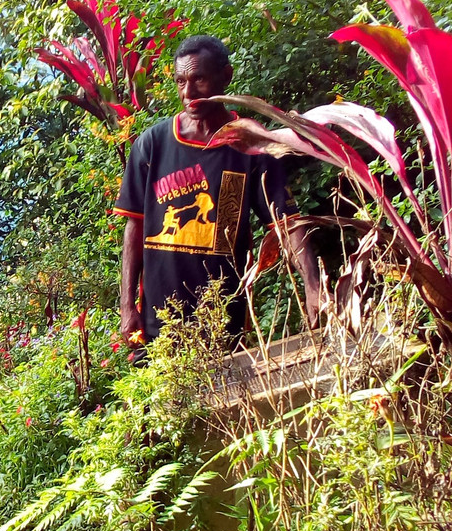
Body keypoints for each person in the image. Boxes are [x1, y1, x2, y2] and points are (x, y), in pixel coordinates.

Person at [114, 34, 321, 347]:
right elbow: (135, 226)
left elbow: (287, 225)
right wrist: (127, 306)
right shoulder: (152, 145)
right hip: (159, 324)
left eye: (199, 79)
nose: (188, 92)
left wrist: (313, 286)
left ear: (226, 76)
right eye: (180, 81)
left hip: (223, 321)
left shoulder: (252, 146)